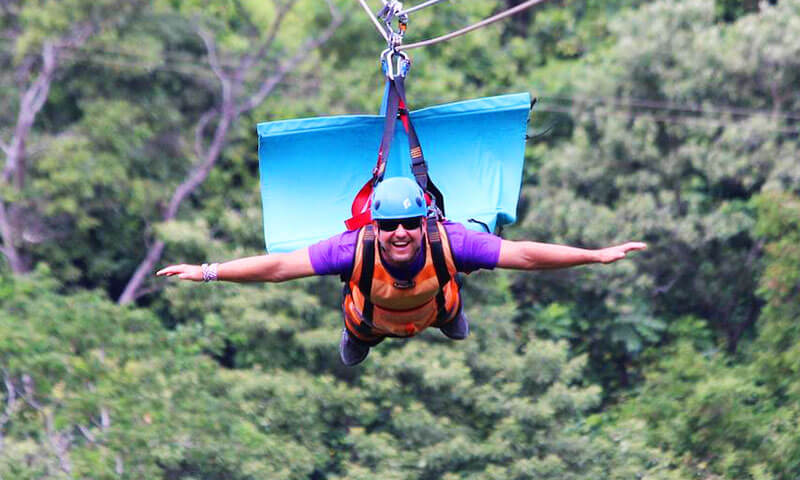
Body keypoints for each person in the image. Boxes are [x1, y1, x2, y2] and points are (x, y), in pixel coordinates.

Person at [157, 177, 646, 366]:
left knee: (445, 308)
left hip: (434, 307)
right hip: (369, 320)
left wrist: (594, 255)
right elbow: (282, 267)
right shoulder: (352, 248)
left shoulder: (450, 240)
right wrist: (207, 272)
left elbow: (523, 255)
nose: (400, 235)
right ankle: (361, 339)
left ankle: (449, 319)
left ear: (424, 220)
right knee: (361, 337)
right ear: (377, 225)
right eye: (390, 226)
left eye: (410, 225)